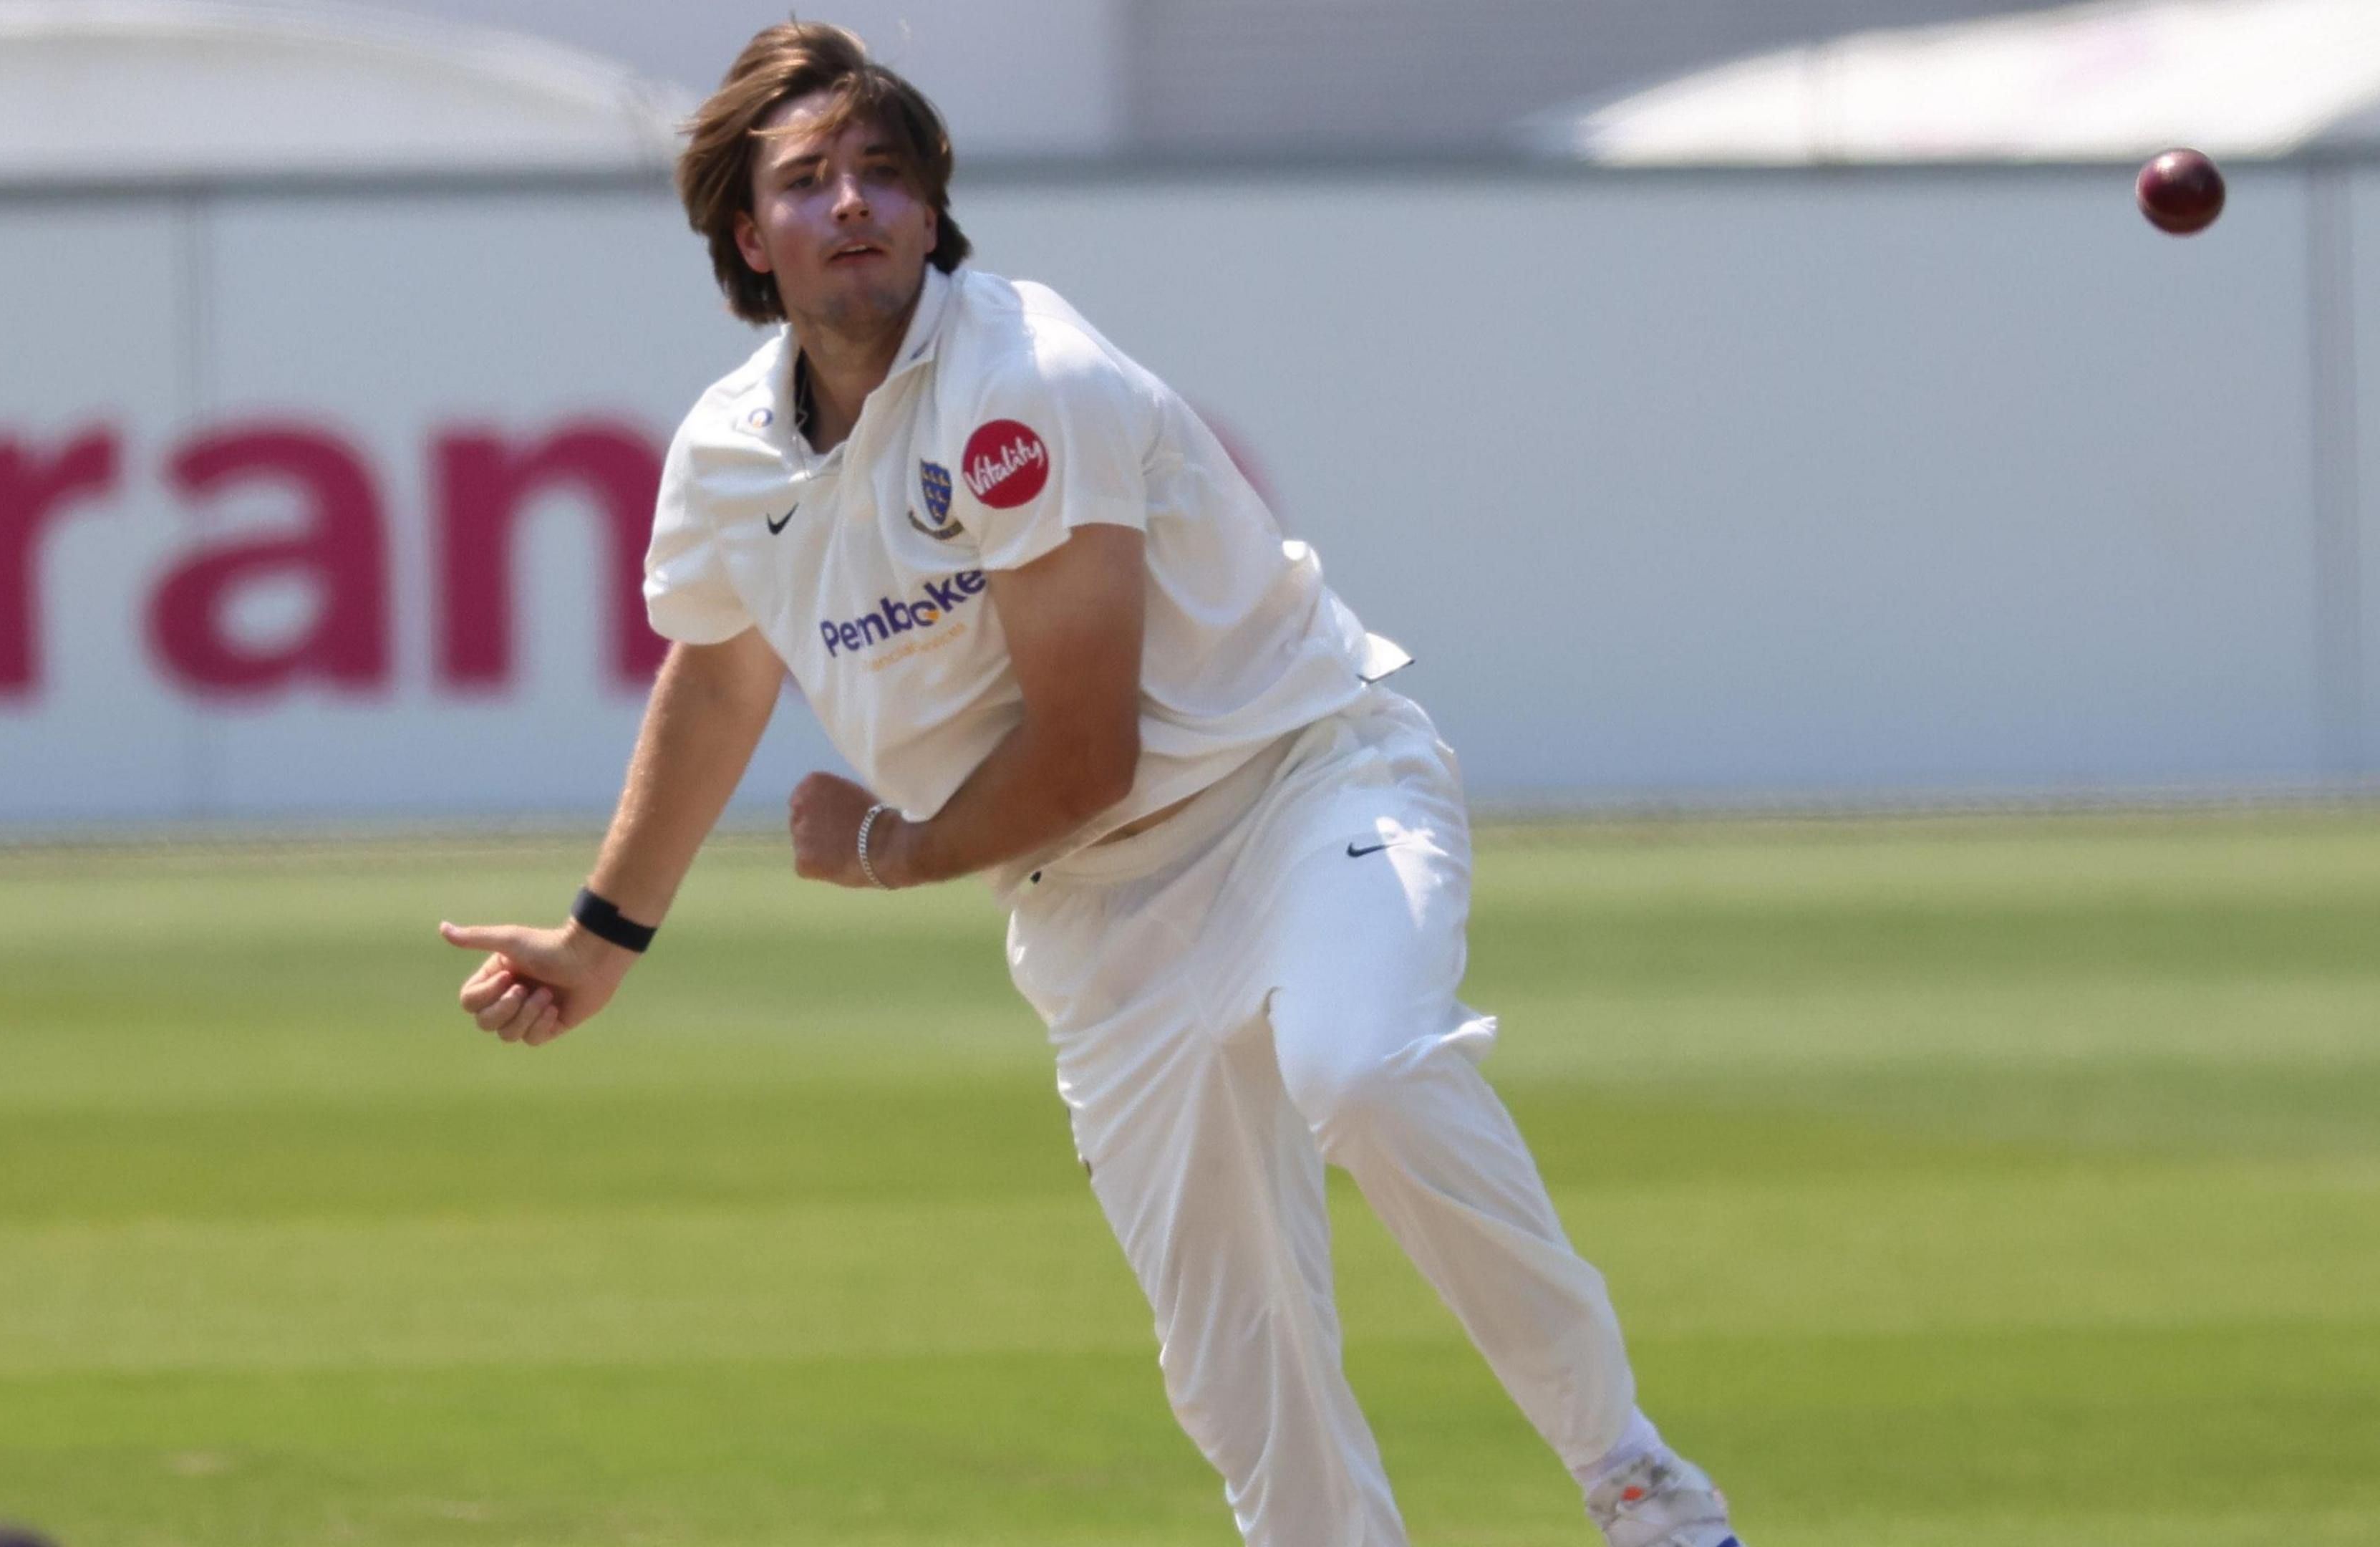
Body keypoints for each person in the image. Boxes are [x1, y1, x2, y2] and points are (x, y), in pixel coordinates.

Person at [437, 21, 1746, 1547]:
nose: (854, 203)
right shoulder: (727, 455)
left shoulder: (1019, 382)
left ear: (932, 210)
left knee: (1367, 1069)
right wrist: (604, 937)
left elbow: (1085, 750)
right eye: (809, 182)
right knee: (1237, 1363)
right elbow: (721, 675)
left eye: (885, 173)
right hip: (1091, 909)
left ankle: (1642, 1487)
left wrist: (884, 848)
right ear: (746, 230)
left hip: (1296, 788)